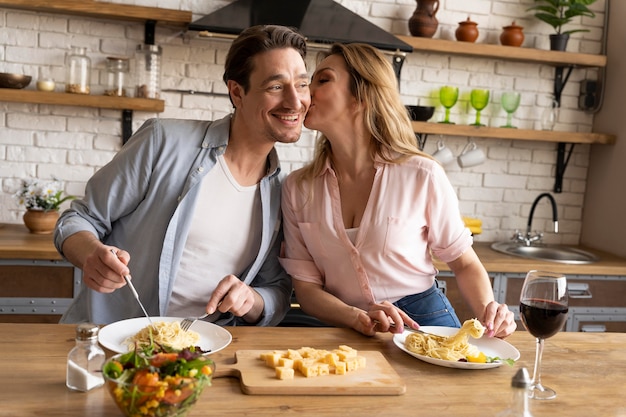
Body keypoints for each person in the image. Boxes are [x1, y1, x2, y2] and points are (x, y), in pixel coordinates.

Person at [54, 25, 311, 326]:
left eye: (302, 84)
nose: (295, 102)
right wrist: (92, 254)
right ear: (237, 92)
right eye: (276, 87)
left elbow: (277, 290)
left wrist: (252, 299)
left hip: (202, 354)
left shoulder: (284, 190)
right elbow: (78, 220)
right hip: (112, 342)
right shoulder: (163, 142)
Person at [279, 43, 516, 338]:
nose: (305, 92)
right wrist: (358, 316)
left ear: (362, 97)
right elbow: (307, 289)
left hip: (425, 321)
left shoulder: (422, 174)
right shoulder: (297, 189)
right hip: (347, 325)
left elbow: (464, 263)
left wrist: (489, 311)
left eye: (322, 80)